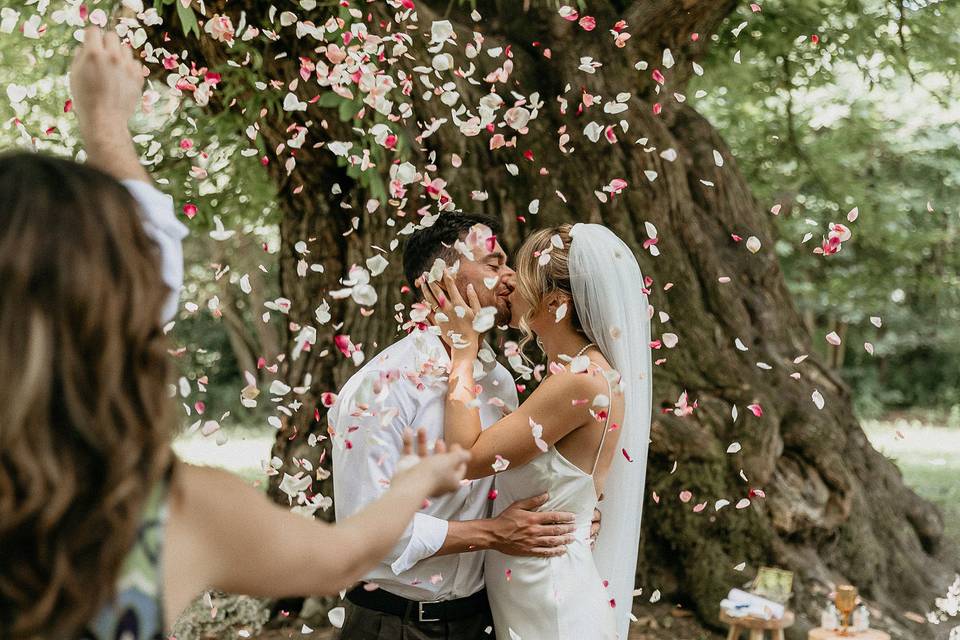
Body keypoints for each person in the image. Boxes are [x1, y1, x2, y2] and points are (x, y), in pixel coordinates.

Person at [0, 27, 470, 640]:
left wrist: (102, 124)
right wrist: (412, 486)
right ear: (129, 317)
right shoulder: (173, 513)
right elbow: (343, 554)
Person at [329, 218, 601, 639]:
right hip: (394, 624)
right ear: (440, 281)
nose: (512, 278)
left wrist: (568, 516)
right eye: (495, 264)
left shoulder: (497, 380)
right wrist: (494, 534)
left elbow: (502, 484)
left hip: (483, 619)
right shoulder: (381, 387)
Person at [419, 223, 653, 640]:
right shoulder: (574, 372)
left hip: (552, 606)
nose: (508, 284)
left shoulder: (579, 380)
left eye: (520, 277)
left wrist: (462, 350)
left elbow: (467, 458)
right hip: (533, 593)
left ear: (556, 303)